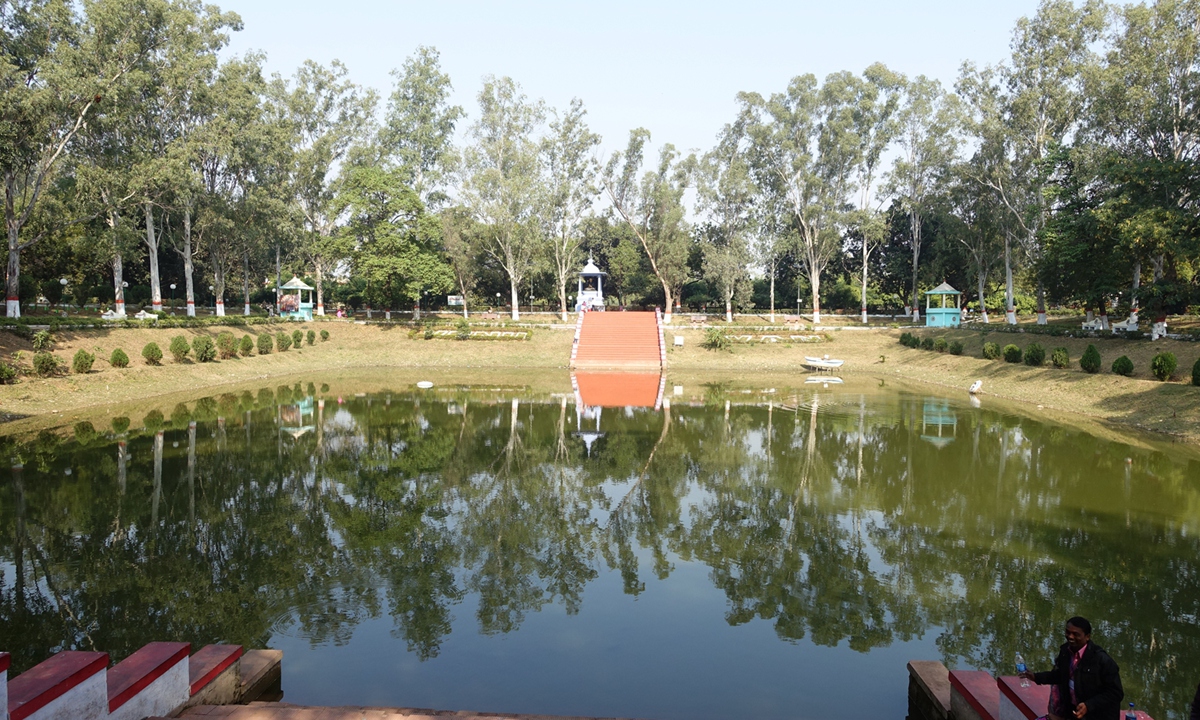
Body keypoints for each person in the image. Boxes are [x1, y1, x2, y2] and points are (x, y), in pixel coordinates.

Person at [1018, 617, 1123, 720]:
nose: (1070, 637)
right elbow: (1059, 675)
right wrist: (1036, 677)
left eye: (1076, 634)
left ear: (1087, 637)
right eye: (1068, 632)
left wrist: (1088, 705)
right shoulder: (1065, 651)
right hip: (1073, 713)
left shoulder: (1102, 661)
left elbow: (1115, 693)